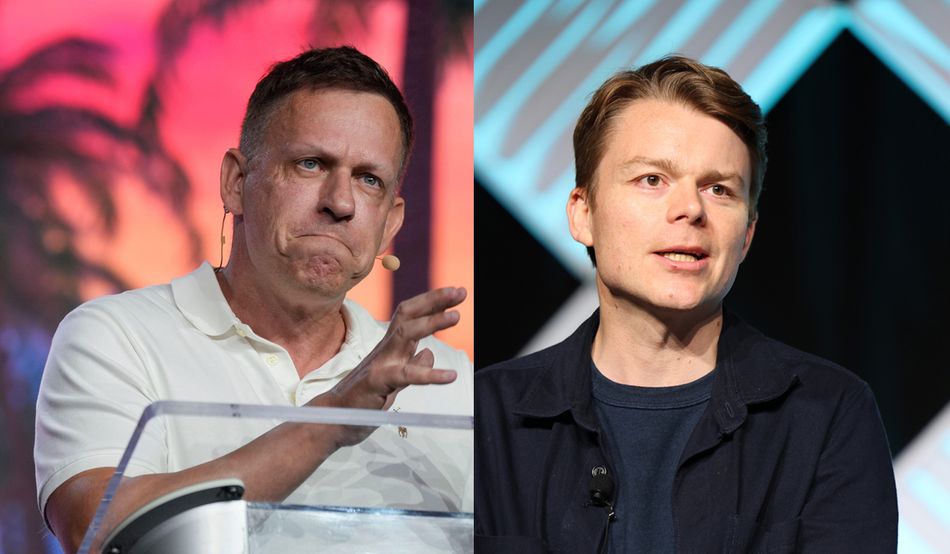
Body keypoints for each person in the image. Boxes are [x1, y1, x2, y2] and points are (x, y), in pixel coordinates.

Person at [35, 46, 472, 552]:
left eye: (368, 179)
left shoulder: (448, 382)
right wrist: (332, 419)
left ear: (390, 223)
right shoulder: (116, 337)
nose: (340, 202)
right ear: (236, 183)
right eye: (311, 164)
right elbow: (96, 529)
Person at [475, 56, 897, 553]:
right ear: (583, 214)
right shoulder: (486, 417)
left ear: (746, 235)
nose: (691, 209)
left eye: (719, 189)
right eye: (652, 179)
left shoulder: (829, 414)